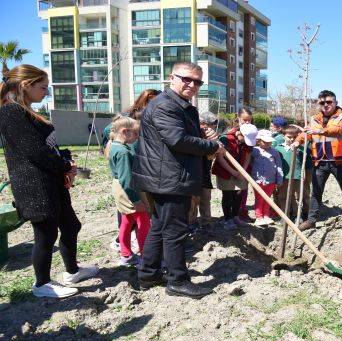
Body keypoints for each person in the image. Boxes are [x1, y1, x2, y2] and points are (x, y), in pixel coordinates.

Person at [0, 64, 98, 298]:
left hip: (51, 181)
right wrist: (64, 166)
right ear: (26, 85)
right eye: (43, 87)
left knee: (71, 225)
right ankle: (41, 284)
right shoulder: (11, 113)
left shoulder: (27, 110)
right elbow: (35, 152)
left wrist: (65, 159)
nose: (46, 92)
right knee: (45, 234)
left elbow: (47, 148)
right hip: (35, 185)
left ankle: (72, 271)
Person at [132, 61, 222, 299]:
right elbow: (178, 140)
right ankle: (177, 281)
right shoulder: (166, 106)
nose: (192, 85)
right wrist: (213, 146)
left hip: (166, 176)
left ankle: (149, 273)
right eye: (186, 79)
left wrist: (204, 134)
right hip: (168, 178)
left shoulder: (180, 106)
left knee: (160, 227)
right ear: (171, 78)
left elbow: (183, 136)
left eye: (198, 82)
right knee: (175, 230)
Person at [293, 90, 342, 237]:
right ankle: (311, 220)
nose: (326, 105)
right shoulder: (314, 119)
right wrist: (296, 141)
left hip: (340, 161)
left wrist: (319, 130)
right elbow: (306, 133)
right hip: (320, 161)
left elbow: (339, 130)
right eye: (322, 103)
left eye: (329, 102)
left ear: (336, 102)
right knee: (316, 193)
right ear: (319, 104)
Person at [108, 115, 150, 266]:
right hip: (129, 190)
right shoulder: (124, 152)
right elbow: (126, 179)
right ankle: (146, 256)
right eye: (136, 133)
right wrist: (137, 200)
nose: (138, 137)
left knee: (127, 220)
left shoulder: (115, 146)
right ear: (125, 132)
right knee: (143, 221)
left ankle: (126, 254)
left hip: (119, 189)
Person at [213, 123, 258, 230]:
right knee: (228, 195)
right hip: (226, 171)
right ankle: (228, 219)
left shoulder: (247, 142)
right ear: (239, 133)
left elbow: (248, 156)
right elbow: (220, 158)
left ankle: (235, 217)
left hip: (240, 171)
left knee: (238, 194)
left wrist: (242, 171)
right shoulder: (225, 139)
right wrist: (233, 172)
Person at [188, 111, 218, 233]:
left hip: (205, 174)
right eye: (210, 125)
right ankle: (192, 223)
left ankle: (206, 223)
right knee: (193, 202)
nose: (212, 128)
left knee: (206, 199)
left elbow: (212, 155)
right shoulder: (195, 136)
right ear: (202, 124)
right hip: (193, 174)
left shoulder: (212, 138)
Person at [274, 125, 310, 221]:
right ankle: (284, 215)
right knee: (283, 196)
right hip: (284, 177)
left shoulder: (300, 149)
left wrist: (303, 175)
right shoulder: (278, 149)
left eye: (294, 137)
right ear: (283, 136)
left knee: (297, 197)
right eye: (289, 137)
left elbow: (304, 164)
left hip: (297, 176)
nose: (292, 139)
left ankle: (297, 215)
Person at [251, 129, 284, 225]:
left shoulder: (275, 152)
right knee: (259, 198)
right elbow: (249, 162)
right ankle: (259, 216)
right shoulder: (254, 151)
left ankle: (266, 215)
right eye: (265, 142)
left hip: (271, 179)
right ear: (258, 141)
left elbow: (278, 166)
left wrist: (279, 178)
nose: (268, 143)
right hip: (258, 180)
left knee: (267, 198)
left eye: (269, 142)